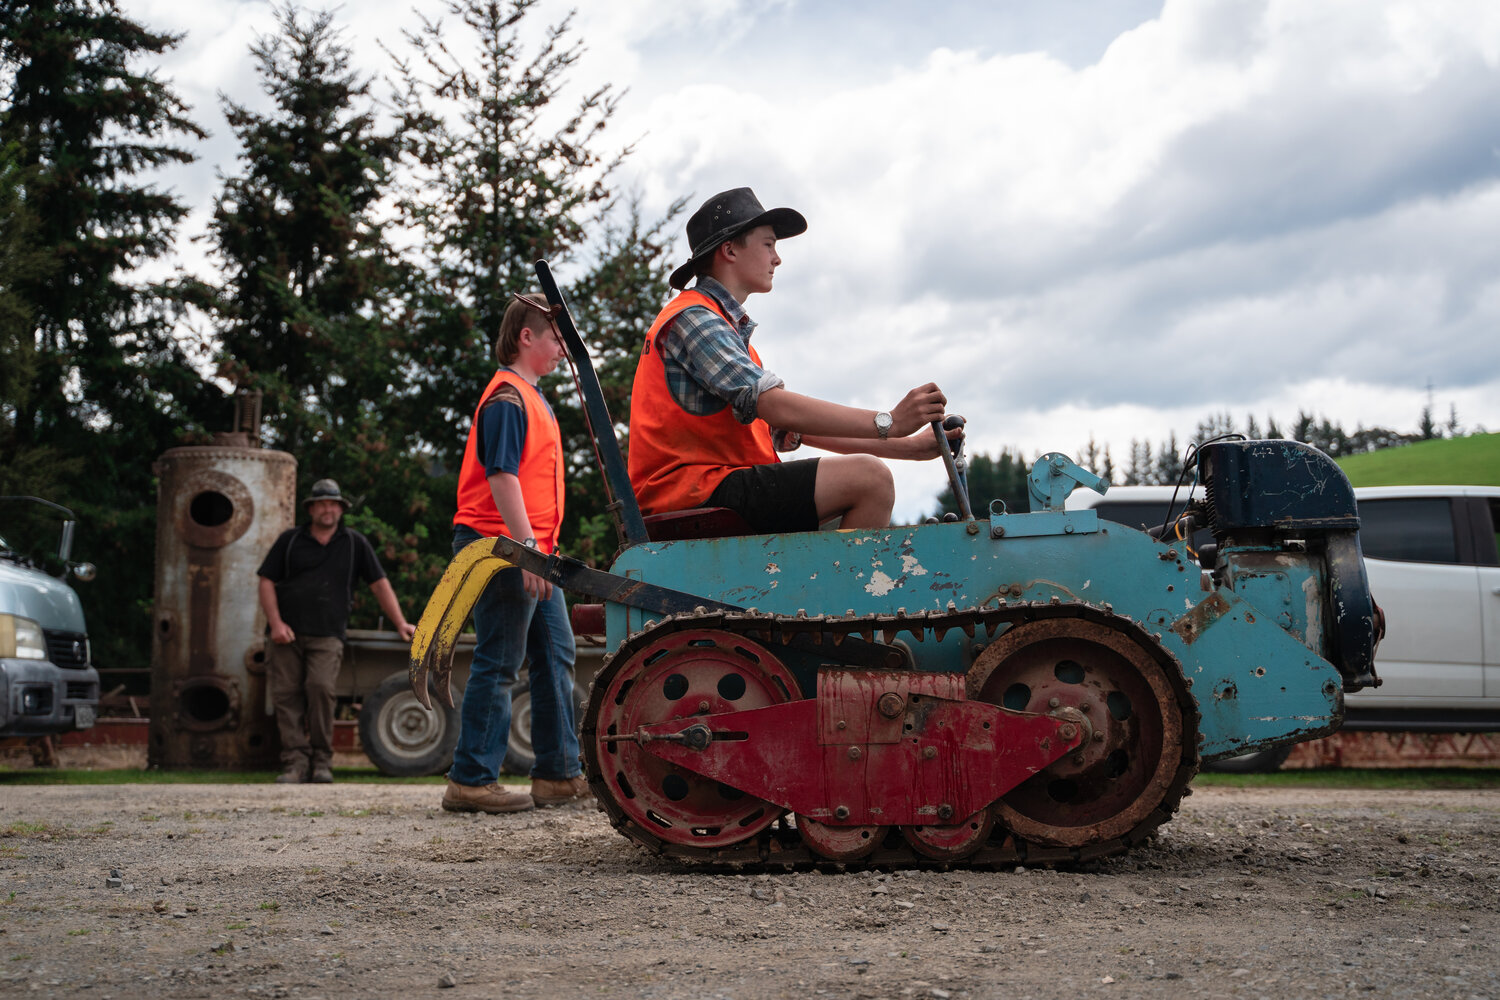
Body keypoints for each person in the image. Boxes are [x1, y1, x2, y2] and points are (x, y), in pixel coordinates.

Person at [628, 186, 955, 533]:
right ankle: (839, 589)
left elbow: (796, 427)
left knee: (850, 493)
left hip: (710, 487)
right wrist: (889, 421)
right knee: (869, 479)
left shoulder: (726, 332)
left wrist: (912, 447)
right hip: (688, 492)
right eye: (768, 244)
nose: (777, 258)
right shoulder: (695, 318)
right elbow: (776, 407)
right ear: (729, 250)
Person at [441, 292, 587, 815]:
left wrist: (537, 550)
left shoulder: (529, 396)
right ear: (527, 337)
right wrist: (526, 549)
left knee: (555, 657)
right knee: (501, 661)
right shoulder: (507, 398)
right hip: (501, 547)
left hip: (530, 549)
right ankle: (471, 780)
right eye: (555, 339)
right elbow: (502, 476)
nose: (562, 351)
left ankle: (558, 775)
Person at [257, 479, 416, 784]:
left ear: (341, 509)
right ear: (312, 508)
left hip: (328, 634)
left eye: (333, 504)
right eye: (322, 504)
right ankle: (294, 763)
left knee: (320, 689)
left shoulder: (355, 543)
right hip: (286, 634)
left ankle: (321, 761)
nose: (327, 509)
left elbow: (379, 584)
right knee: (286, 697)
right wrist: (276, 623)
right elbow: (266, 581)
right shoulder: (290, 540)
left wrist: (400, 622)